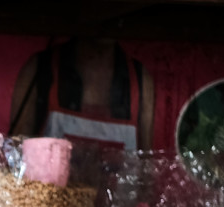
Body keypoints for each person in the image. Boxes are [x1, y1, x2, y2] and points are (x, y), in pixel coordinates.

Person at [9, 37, 155, 153]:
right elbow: (15, 161)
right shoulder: (40, 70)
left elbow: (145, 173)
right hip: (51, 191)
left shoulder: (140, 80)